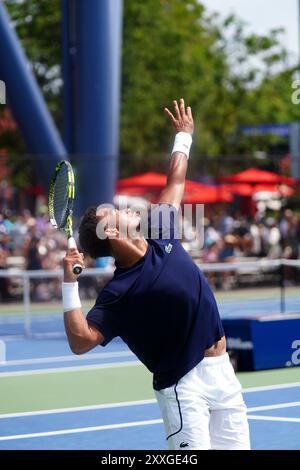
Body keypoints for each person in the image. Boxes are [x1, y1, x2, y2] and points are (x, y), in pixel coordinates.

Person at [62, 99, 250, 450]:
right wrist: (68, 284)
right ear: (112, 234)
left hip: (222, 371)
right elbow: (80, 341)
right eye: (112, 211)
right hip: (183, 386)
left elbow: (176, 179)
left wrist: (183, 136)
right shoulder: (119, 291)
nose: (120, 207)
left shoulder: (159, 229)